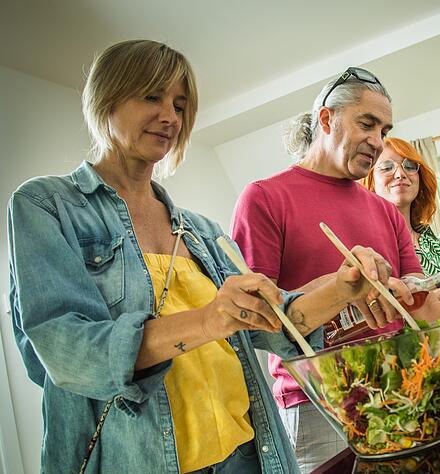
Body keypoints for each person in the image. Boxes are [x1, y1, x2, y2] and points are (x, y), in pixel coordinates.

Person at [6, 40, 391, 474]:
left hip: (246, 453)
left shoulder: (202, 231)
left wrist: (343, 287)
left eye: (180, 104)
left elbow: (276, 321)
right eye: (152, 96)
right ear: (105, 99)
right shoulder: (46, 205)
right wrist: (212, 318)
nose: (170, 116)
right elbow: (67, 352)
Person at [231, 68, 440, 471]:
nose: (377, 141)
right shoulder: (264, 198)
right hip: (320, 403)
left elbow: (418, 302)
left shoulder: (385, 212)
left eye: (384, 129)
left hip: (406, 386)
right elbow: (253, 322)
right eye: (366, 124)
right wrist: (338, 287)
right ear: (326, 120)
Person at [361, 137, 440, 310]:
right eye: (387, 167)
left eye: (409, 166)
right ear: (370, 182)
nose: (401, 174)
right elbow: (376, 317)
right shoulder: (369, 245)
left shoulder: (428, 236)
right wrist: (431, 303)